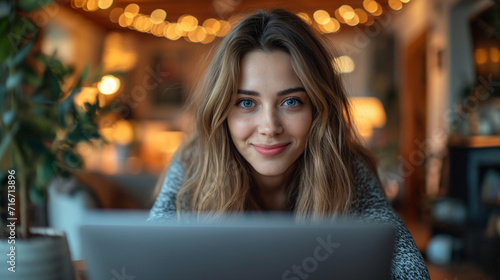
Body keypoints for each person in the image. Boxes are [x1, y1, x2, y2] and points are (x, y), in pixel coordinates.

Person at [148, 9, 430, 279]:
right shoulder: (192, 165)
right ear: (221, 111)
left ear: (318, 109)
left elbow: (410, 271)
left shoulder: (348, 171)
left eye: (291, 102)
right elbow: (146, 260)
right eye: (246, 103)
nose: (270, 127)